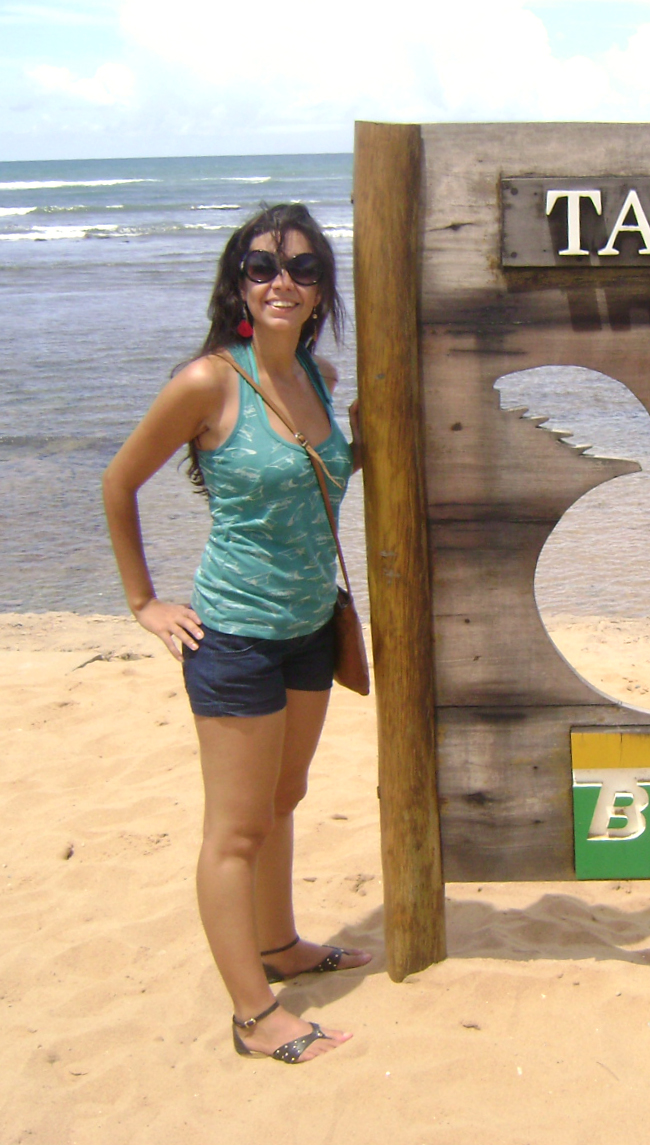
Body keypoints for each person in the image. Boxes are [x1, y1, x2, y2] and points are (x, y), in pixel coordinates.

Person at [102, 203, 370, 1064]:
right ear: (237, 285)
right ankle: (254, 1017)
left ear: (322, 289)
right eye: (261, 266)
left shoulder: (319, 376)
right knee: (236, 830)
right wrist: (145, 602)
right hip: (235, 639)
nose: (281, 281)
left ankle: (280, 943)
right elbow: (118, 483)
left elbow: (318, 477)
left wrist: (369, 436)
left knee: (283, 801)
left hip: (307, 628)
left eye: (301, 267)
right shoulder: (208, 382)